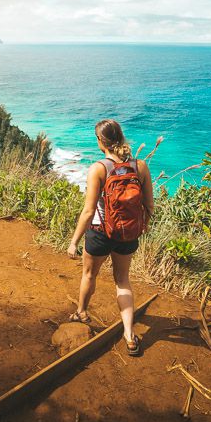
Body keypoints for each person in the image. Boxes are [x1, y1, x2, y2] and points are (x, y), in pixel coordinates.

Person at [66, 119, 154, 356]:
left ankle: (82, 312)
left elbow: (88, 211)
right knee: (122, 280)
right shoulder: (140, 166)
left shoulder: (99, 168)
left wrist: (74, 241)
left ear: (100, 142)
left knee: (89, 274)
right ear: (121, 137)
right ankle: (129, 334)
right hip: (128, 234)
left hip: (100, 232)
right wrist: (141, 225)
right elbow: (149, 205)